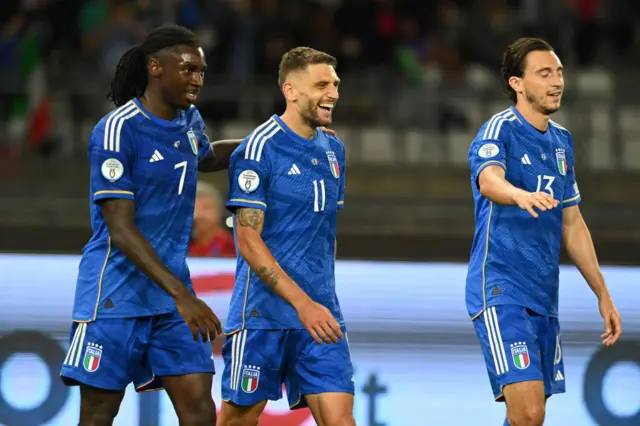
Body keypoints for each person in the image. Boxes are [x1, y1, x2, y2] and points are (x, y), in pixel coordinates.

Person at [59, 25, 237, 426]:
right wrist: (183, 295)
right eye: (189, 69)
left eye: (202, 71)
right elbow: (119, 229)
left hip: (171, 300)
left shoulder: (189, 120)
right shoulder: (117, 129)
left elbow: (205, 157)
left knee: (200, 409)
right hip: (115, 295)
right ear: (155, 67)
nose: (197, 80)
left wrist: (268, 142)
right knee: (99, 412)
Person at [466, 37, 622, 426]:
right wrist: (520, 195)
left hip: (543, 295)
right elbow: (489, 180)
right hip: (501, 288)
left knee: (529, 418)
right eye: (544, 73)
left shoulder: (562, 142)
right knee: (530, 410)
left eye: (559, 73)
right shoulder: (498, 128)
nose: (556, 82)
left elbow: (572, 222)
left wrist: (603, 294)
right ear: (517, 83)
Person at [218, 47, 355, 426]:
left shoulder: (335, 151)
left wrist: (318, 298)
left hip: (322, 315)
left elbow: (326, 232)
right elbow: (247, 241)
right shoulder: (259, 148)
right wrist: (301, 303)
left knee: (342, 421)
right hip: (263, 315)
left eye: (336, 85)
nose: (334, 93)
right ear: (291, 90)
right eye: (322, 85)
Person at [189, 181, 236, 258]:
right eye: (194, 208)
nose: (198, 214)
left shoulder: (233, 247)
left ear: (218, 212)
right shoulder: (179, 246)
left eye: (206, 208)